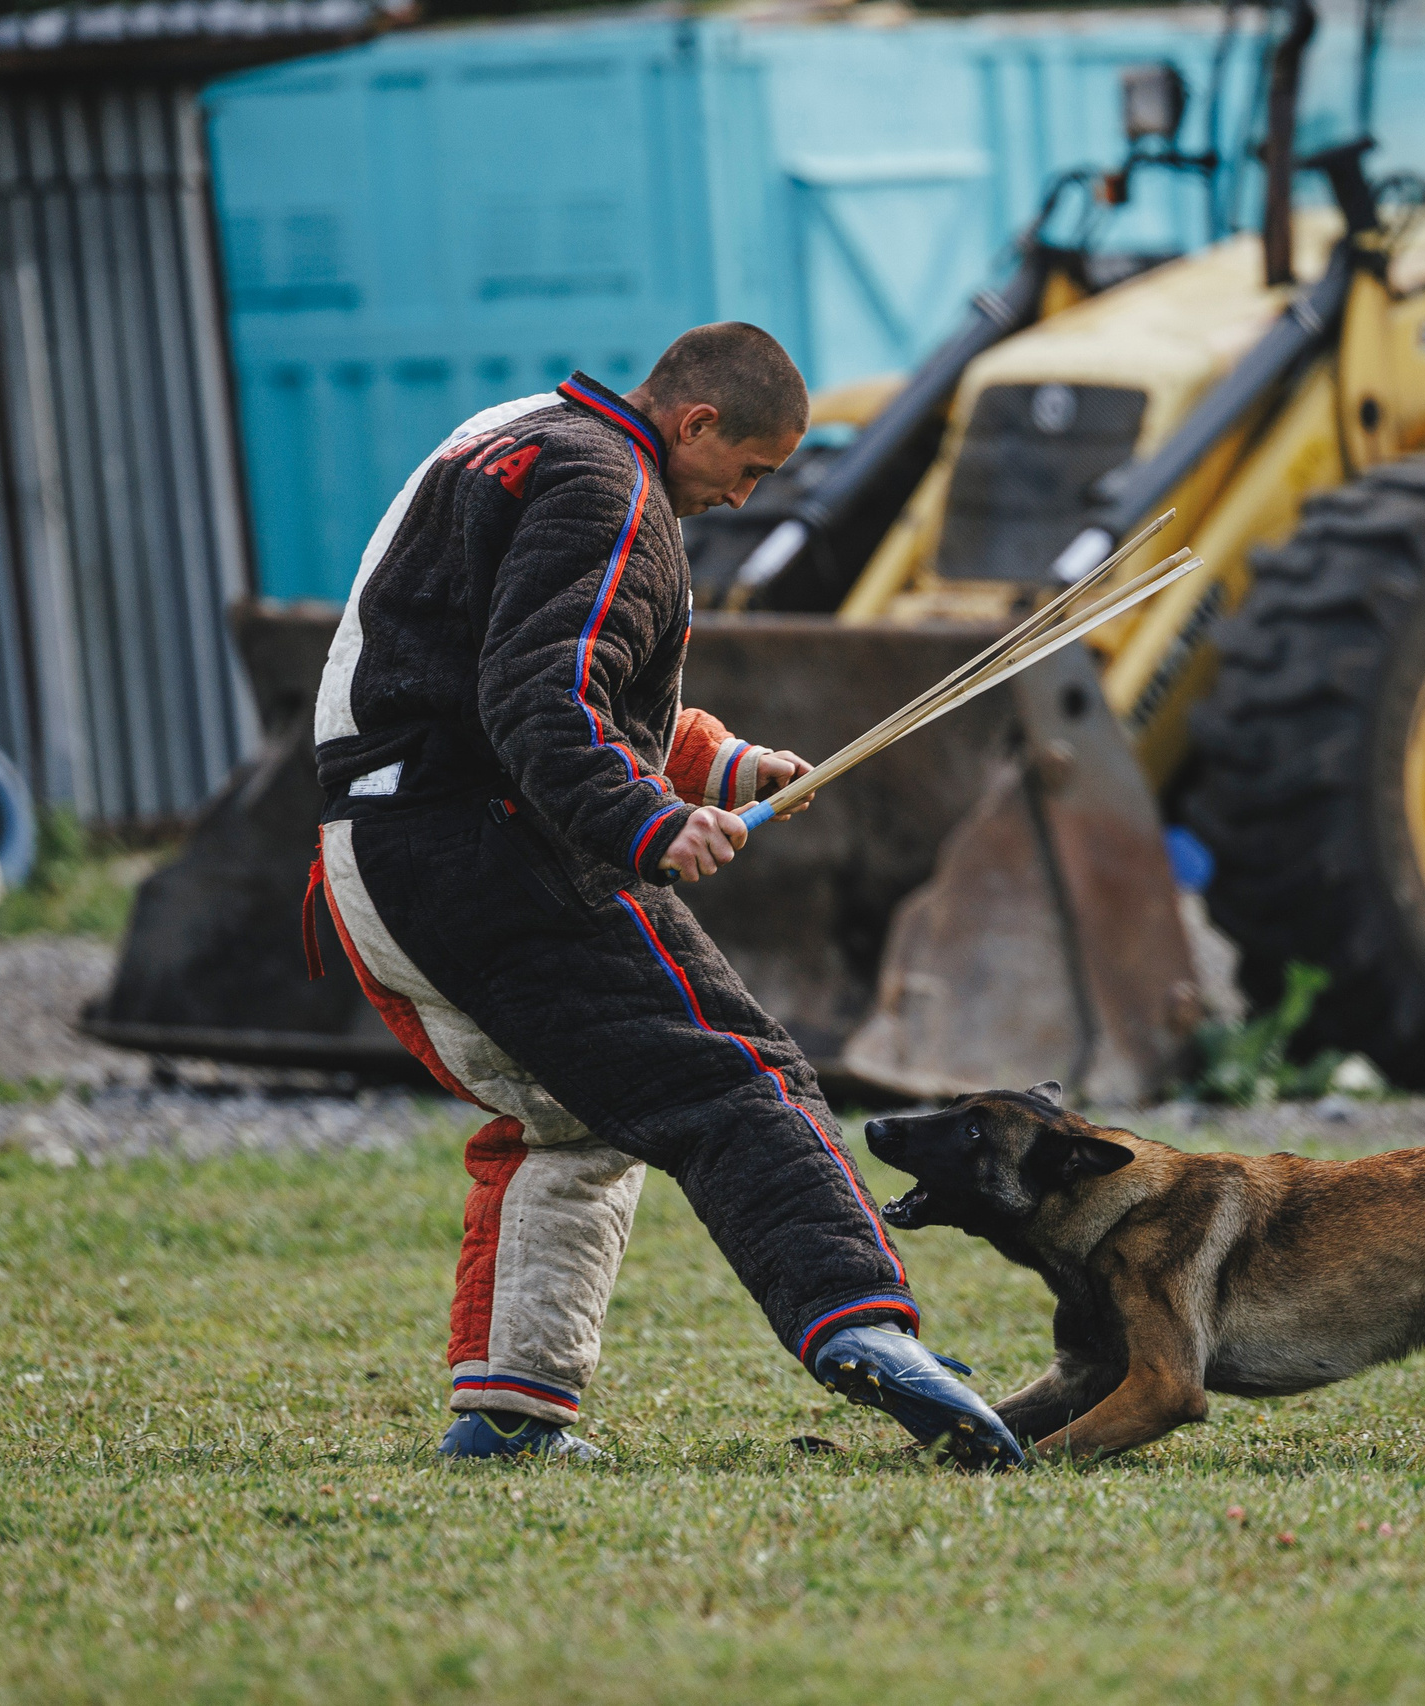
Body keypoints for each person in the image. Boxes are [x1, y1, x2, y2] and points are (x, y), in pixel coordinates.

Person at [304, 323, 1022, 1469]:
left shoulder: (508, 437)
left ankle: (508, 1417)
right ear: (694, 424)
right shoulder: (611, 494)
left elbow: (540, 673)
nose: (744, 498)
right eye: (750, 468)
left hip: (373, 853)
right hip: (486, 844)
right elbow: (543, 702)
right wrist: (646, 823)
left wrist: (727, 768)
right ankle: (866, 1327)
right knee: (737, 1072)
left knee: (575, 1113)